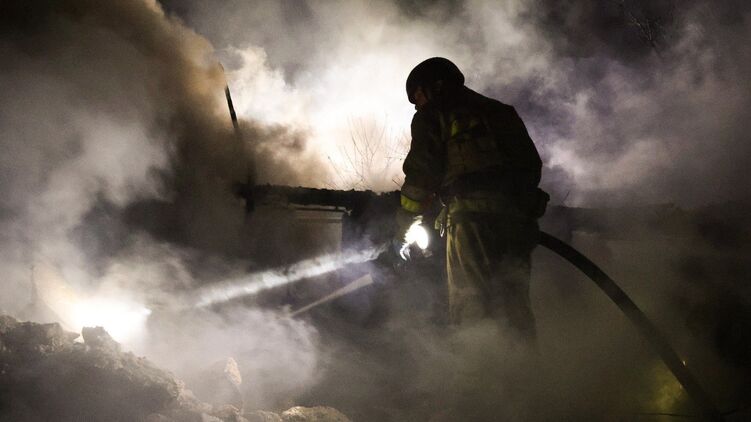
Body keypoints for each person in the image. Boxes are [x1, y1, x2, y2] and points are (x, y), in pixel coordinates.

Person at [396, 57, 548, 339]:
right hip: (517, 223)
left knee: (473, 306)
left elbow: (422, 174)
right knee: (513, 305)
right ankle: (524, 365)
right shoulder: (500, 112)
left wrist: (406, 219)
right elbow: (531, 168)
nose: (417, 105)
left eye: (418, 96)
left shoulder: (434, 113)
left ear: (435, 86)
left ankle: (480, 366)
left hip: (471, 222)